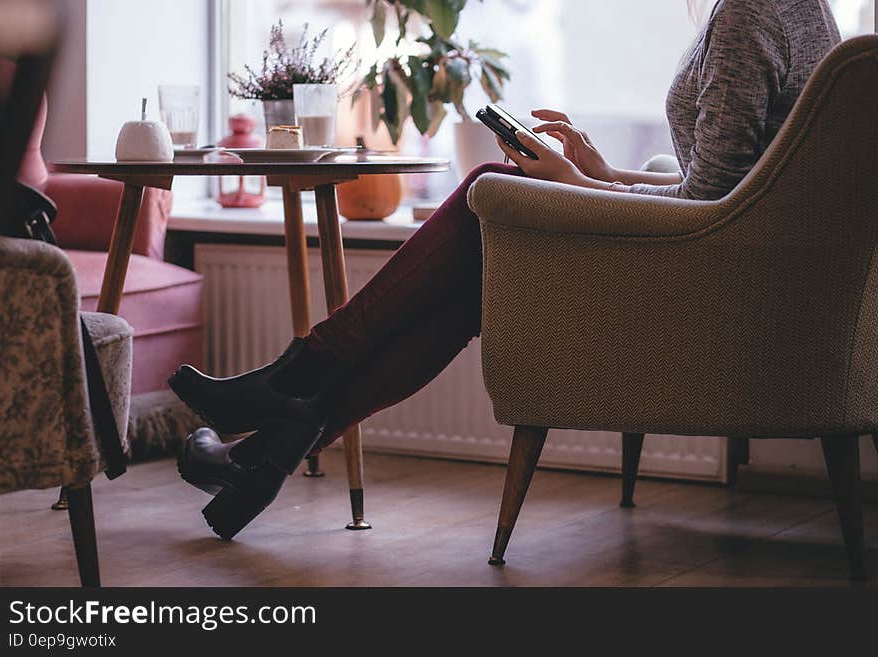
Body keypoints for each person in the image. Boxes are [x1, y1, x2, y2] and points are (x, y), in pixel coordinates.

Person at [169, 0, 841, 539]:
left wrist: (576, 180)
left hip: (696, 294)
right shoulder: (805, 13)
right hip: (725, 276)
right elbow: (730, 196)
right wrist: (601, 175)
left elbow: (708, 210)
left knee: (486, 186)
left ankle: (289, 391)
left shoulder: (751, 14)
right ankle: (268, 448)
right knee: (468, 286)